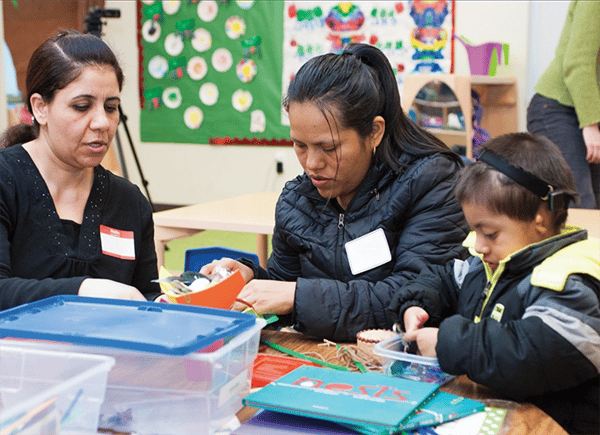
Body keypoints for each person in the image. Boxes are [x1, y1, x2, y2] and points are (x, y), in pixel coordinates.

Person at [201, 43, 469, 342]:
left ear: (374, 132)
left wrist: (295, 295)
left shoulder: (431, 181)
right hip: (323, 362)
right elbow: (286, 294)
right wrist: (252, 277)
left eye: (328, 148)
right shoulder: (297, 202)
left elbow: (414, 297)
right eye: (300, 145)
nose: (312, 164)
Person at [388, 132, 600, 435]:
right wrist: (417, 303)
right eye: (475, 231)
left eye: (489, 233)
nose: (479, 245)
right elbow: (445, 279)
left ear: (540, 218)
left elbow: (534, 353)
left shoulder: (569, 281)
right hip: (500, 418)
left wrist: (448, 343)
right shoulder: (490, 261)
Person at [0, 30, 161, 310]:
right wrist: (84, 289)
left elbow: (146, 297)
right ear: (40, 108)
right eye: (82, 106)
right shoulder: (6, 181)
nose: (102, 122)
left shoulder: (130, 202)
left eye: (111, 108)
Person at [527, 0, 600, 209]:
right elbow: (578, 63)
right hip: (558, 109)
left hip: (588, 112)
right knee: (580, 205)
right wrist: (591, 124)